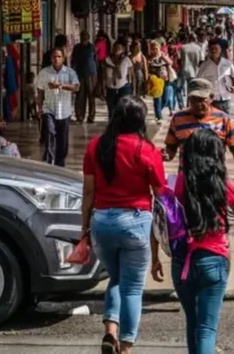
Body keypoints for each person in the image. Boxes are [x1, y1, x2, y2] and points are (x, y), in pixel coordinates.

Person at [81, 96, 165, 354]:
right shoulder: (147, 150)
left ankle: (110, 331)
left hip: (102, 222)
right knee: (133, 289)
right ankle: (126, 346)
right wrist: (160, 244)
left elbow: (88, 192)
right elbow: (160, 195)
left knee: (116, 277)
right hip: (135, 223)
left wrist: (84, 228)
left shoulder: (96, 146)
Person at [161, 129, 234, 354]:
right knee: (207, 328)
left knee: (192, 321)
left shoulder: (179, 183)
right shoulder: (223, 184)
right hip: (214, 259)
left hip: (182, 261)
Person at [163, 78, 234, 210]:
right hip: (187, 183)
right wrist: (166, 154)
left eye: (202, 99)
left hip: (215, 181)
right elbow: (171, 148)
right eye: (193, 99)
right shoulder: (178, 119)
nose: (197, 104)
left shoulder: (223, 119)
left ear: (211, 98)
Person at [36, 48, 80, 167]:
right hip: (49, 109)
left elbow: (76, 87)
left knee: (63, 141)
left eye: (59, 56)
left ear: (63, 58)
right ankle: (49, 162)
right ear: (51, 58)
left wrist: (60, 85)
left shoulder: (70, 72)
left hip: (64, 112)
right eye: (54, 57)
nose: (56, 59)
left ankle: (60, 164)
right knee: (50, 133)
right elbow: (40, 91)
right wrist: (39, 108)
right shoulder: (44, 73)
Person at [197, 40, 234, 114]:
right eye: (212, 49)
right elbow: (199, 81)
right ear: (209, 51)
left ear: (220, 50)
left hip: (225, 97)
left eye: (216, 49)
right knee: (212, 119)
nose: (214, 51)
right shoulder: (204, 65)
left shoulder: (227, 63)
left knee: (225, 119)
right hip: (211, 99)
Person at [71, 31, 98, 123]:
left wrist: (97, 75)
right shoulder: (77, 48)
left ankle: (91, 116)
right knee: (80, 96)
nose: (84, 38)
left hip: (91, 74)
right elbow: (73, 61)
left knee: (91, 95)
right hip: (80, 74)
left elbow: (96, 60)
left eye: (86, 37)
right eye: (83, 37)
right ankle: (80, 116)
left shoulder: (92, 47)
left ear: (88, 38)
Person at [148, 40, 176, 124]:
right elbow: (147, 68)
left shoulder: (163, 55)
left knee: (165, 99)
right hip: (155, 81)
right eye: (153, 49)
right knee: (157, 99)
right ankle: (158, 116)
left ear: (159, 48)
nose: (154, 50)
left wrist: (163, 57)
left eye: (156, 48)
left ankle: (158, 110)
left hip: (165, 80)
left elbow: (170, 63)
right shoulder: (149, 57)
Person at [103, 42, 134, 118]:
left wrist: (134, 88)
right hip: (110, 87)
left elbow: (132, 74)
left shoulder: (126, 59)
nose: (117, 49)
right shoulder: (107, 59)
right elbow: (102, 75)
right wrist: (102, 87)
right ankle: (112, 123)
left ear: (123, 50)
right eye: (115, 48)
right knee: (111, 108)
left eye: (119, 48)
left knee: (123, 107)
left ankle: (122, 124)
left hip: (124, 87)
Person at [179, 33, 204, 108]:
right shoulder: (198, 48)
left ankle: (184, 104)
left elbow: (180, 59)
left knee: (183, 88)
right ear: (195, 39)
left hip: (184, 69)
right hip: (194, 70)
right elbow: (201, 60)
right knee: (192, 88)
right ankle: (189, 103)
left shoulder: (183, 47)